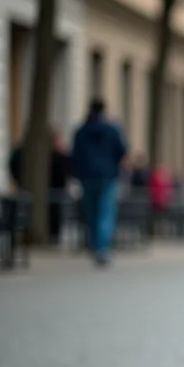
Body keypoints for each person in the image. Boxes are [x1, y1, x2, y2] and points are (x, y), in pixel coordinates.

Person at [69, 99, 128, 266]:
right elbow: (121, 152)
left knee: (91, 212)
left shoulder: (81, 131)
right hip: (107, 176)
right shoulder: (112, 130)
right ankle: (103, 248)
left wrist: (77, 173)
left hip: (87, 176)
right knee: (105, 212)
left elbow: (75, 156)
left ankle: (94, 245)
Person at [8, 128, 72, 241]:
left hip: (45, 192)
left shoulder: (21, 152)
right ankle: (51, 235)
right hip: (52, 192)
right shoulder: (55, 155)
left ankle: (48, 234)